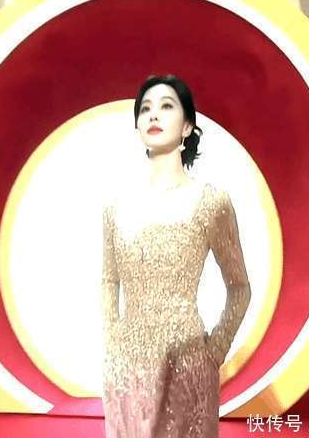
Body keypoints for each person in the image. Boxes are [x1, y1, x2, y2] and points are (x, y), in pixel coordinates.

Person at [100, 74, 252, 437]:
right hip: (127, 374)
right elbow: (108, 280)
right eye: (145, 109)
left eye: (166, 106)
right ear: (137, 126)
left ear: (187, 127)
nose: (153, 115)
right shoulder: (115, 208)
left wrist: (214, 352)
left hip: (188, 368)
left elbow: (239, 287)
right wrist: (112, 341)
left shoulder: (212, 202)